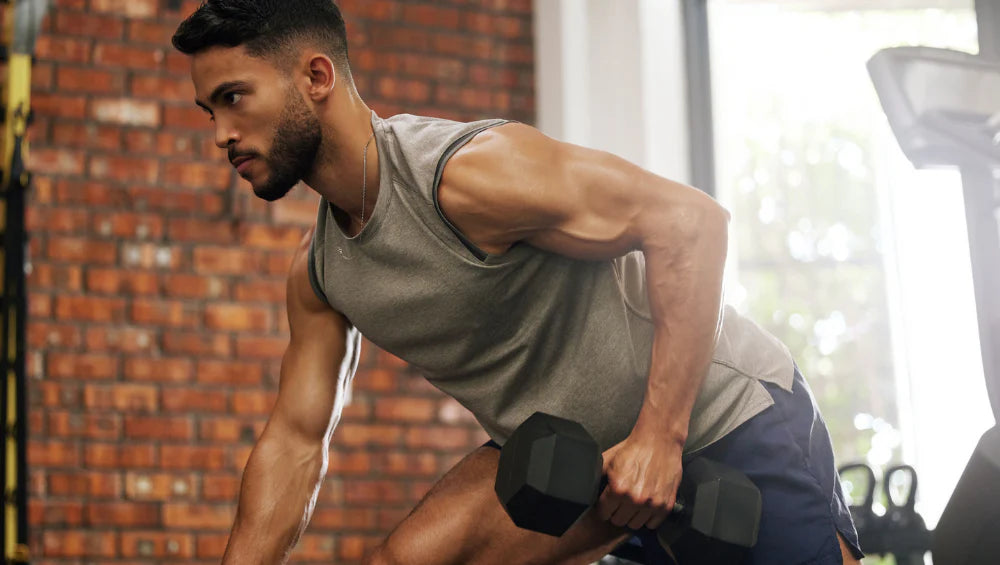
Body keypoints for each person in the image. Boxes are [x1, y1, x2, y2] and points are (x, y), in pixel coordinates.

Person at [171, 1, 864, 564]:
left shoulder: (466, 175)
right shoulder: (322, 273)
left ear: (316, 77)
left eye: (234, 98)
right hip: (578, 465)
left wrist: (659, 437)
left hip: (721, 419)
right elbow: (295, 442)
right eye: (210, 112)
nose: (221, 134)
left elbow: (691, 223)